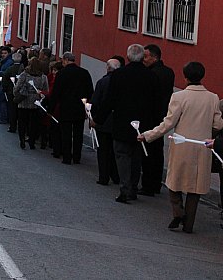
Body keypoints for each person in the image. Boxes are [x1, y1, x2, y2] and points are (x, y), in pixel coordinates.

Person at [139, 62, 223, 232]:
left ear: (185, 77)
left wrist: (147, 135)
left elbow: (168, 123)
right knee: (196, 186)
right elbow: (218, 124)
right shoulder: (213, 98)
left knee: (174, 181)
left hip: (181, 144)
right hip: (203, 146)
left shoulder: (179, 97)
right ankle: (189, 224)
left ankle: (178, 212)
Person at [94, 44, 158, 204]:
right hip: (142, 124)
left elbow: (110, 100)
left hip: (122, 122)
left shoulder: (119, 75)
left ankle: (125, 188)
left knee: (122, 156)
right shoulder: (151, 76)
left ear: (128, 57)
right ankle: (134, 188)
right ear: (143, 57)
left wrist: (98, 118)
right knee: (136, 156)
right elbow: (154, 102)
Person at [140, 44, 175, 196]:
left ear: (154, 57)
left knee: (148, 151)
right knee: (158, 151)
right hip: (162, 115)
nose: (143, 60)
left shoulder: (150, 74)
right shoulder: (168, 72)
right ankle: (156, 183)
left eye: (146, 57)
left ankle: (148, 185)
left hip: (150, 116)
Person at [49, 52, 94, 165]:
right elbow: (90, 92)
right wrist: (88, 108)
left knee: (66, 133)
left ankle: (67, 157)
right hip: (80, 108)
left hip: (66, 107)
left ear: (65, 60)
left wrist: (51, 109)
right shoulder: (84, 73)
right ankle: (77, 157)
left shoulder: (62, 73)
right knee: (78, 133)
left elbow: (56, 93)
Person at [90, 58, 121, 186]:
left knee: (103, 150)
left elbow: (96, 102)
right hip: (117, 121)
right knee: (114, 151)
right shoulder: (122, 82)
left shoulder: (102, 82)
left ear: (108, 68)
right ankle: (116, 176)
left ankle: (104, 176)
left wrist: (94, 118)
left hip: (103, 121)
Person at [14, 58, 49, 149]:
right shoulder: (43, 77)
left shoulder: (24, 74)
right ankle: (32, 141)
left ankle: (22, 139)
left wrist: (16, 94)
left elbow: (18, 87)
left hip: (24, 100)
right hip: (36, 102)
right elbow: (46, 90)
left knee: (22, 122)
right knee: (33, 123)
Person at [3, 52, 24, 133]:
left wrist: (5, 89)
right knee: (20, 110)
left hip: (11, 91)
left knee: (12, 109)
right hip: (21, 93)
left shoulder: (10, 69)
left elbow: (5, 79)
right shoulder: (23, 69)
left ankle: (13, 126)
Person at [0, 47, 14, 124]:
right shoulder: (4, 61)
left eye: (5, 53)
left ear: (8, 53)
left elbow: (7, 72)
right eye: (2, 53)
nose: (3, 55)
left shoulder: (9, 62)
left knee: (3, 100)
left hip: (6, 83)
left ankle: (3, 117)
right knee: (2, 100)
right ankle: (2, 116)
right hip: (3, 82)